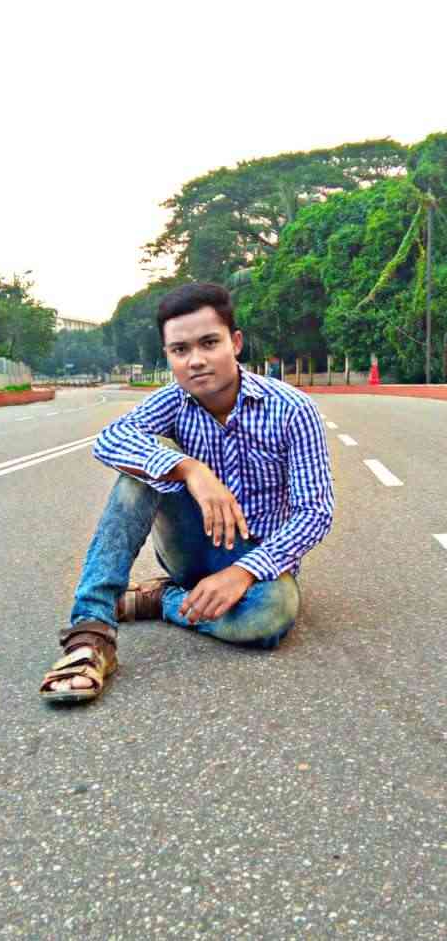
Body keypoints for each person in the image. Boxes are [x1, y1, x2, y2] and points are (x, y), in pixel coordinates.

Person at [39, 282, 334, 703]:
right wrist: (190, 469)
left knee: (270, 616)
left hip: (259, 560)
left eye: (209, 343)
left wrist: (242, 571)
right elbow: (110, 440)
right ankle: (92, 631)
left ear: (235, 343)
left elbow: (314, 512)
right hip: (189, 546)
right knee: (145, 462)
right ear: (168, 356)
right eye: (180, 350)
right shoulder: (175, 400)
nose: (196, 360)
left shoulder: (292, 409)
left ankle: (164, 601)